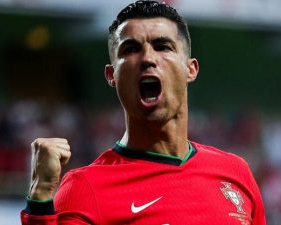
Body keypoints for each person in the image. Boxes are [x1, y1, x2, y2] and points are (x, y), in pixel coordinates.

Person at [21, 1, 266, 224]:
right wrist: (40, 194)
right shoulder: (85, 189)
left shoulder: (236, 173)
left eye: (162, 46)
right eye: (130, 49)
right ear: (112, 76)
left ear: (191, 69)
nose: (148, 58)